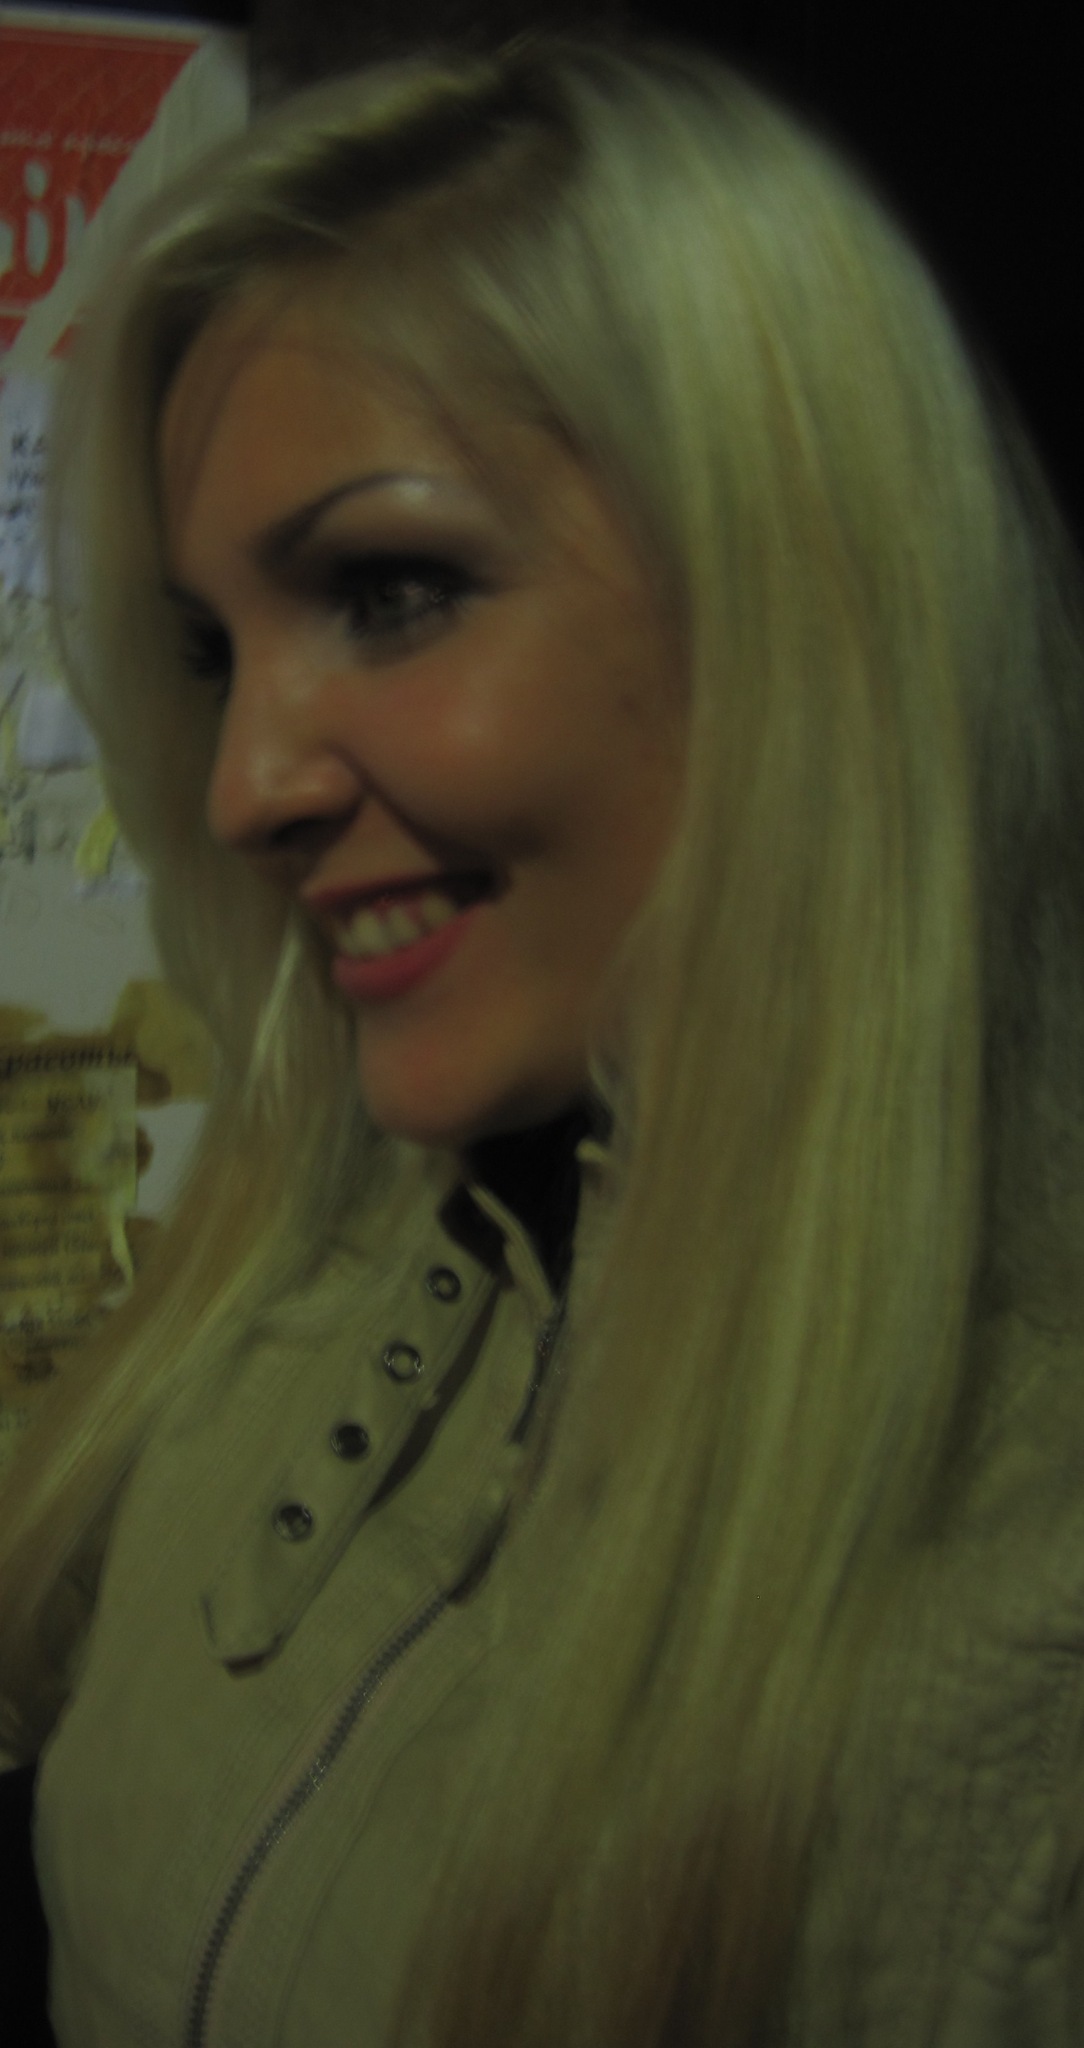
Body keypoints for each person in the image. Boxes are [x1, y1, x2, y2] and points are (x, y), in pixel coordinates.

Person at [2, 28, 1084, 2047]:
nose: (240, 786)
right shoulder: (278, 1263)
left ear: (799, 599)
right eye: (215, 647)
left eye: (389, 590)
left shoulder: (1029, 1637)